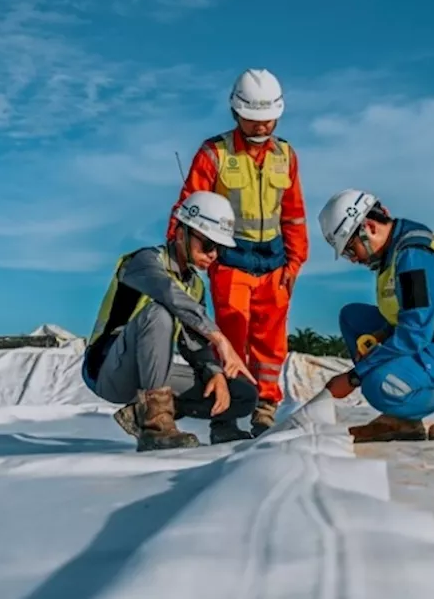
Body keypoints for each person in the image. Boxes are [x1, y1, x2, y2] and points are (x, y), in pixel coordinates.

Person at [168, 68, 309, 437]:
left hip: (275, 262)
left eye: (268, 119)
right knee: (229, 338)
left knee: (271, 342)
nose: (262, 127)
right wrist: (180, 253)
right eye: (254, 119)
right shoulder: (214, 153)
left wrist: (295, 262)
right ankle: (225, 417)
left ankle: (264, 407)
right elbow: (188, 206)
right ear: (236, 112)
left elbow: (294, 215)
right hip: (230, 260)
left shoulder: (286, 156)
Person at [315, 189, 434, 442]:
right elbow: (410, 318)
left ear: (369, 228)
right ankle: (403, 421)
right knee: (353, 318)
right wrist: (381, 335)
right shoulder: (393, 254)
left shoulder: (414, 256)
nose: (353, 260)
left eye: (351, 250)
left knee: (378, 385)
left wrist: (353, 377)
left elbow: (415, 333)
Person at [83, 190, 260, 451]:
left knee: (243, 395)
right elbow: (168, 293)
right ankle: (155, 428)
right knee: (160, 313)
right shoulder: (143, 262)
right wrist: (220, 338)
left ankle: (143, 413)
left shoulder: (195, 286)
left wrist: (215, 373)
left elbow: (194, 343)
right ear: (180, 234)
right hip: (109, 369)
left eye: (219, 249)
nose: (213, 255)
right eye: (209, 244)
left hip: (150, 372)